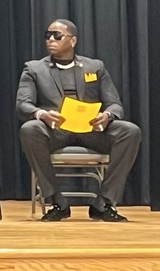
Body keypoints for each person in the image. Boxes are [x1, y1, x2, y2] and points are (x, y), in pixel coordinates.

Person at [17, 19, 142, 222]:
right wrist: (42, 114)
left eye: (57, 35)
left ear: (73, 41)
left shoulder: (95, 67)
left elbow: (115, 104)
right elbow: (23, 105)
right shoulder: (34, 69)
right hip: (56, 130)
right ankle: (57, 201)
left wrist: (107, 116)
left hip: (91, 129)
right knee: (30, 129)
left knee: (130, 131)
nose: (50, 39)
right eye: (47, 35)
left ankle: (103, 202)